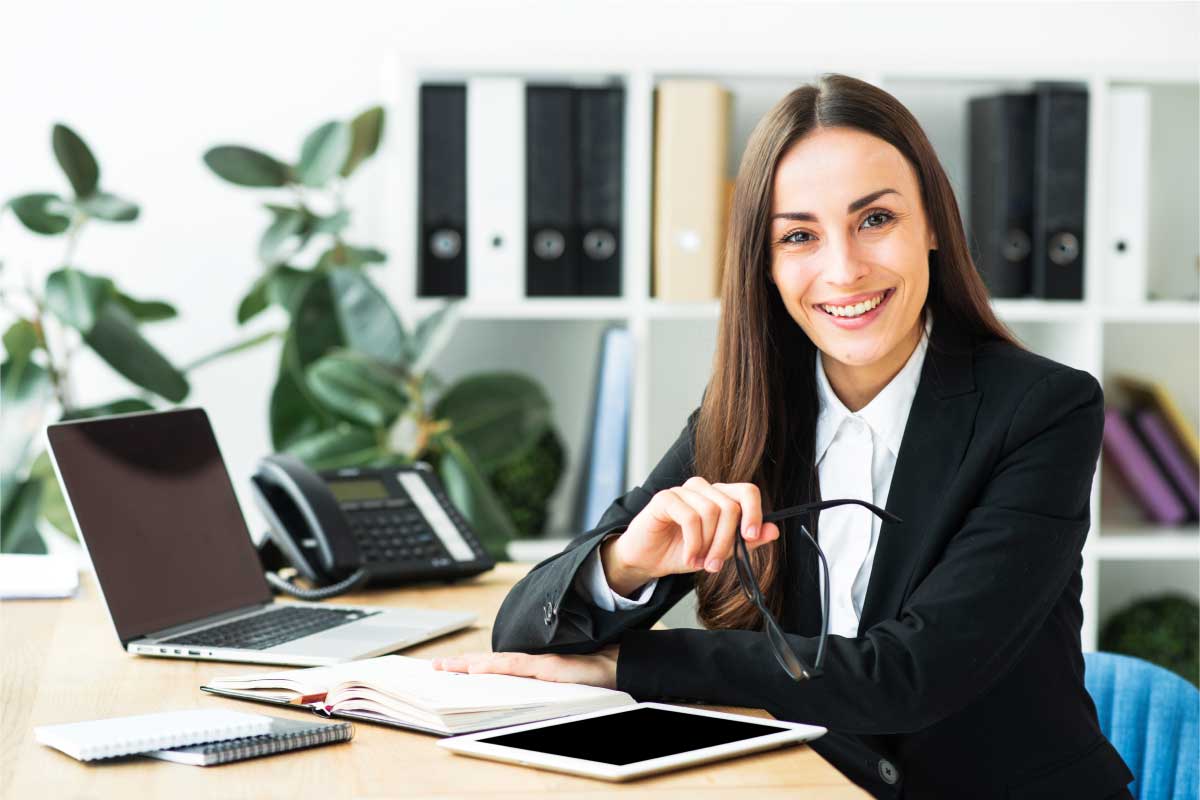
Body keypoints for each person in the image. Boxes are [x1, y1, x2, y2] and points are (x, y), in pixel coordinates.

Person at [431, 74, 1135, 799]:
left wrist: (627, 667)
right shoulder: (748, 411)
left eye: (875, 220)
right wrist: (625, 562)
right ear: (765, 265)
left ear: (932, 224)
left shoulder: (1043, 409)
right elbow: (523, 629)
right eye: (799, 235)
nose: (843, 269)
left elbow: (914, 676)